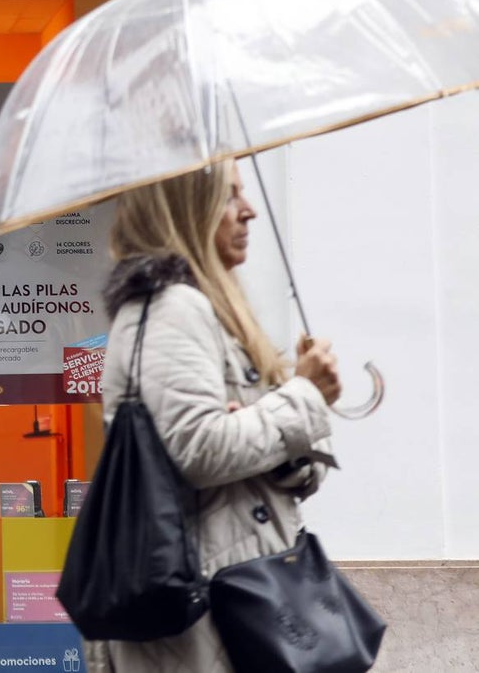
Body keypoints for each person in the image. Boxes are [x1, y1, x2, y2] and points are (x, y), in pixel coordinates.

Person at [84, 159, 342, 673]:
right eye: (229, 197)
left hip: (239, 595)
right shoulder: (171, 309)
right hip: (204, 612)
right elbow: (201, 449)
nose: (248, 212)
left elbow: (247, 451)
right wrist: (304, 397)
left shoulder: (208, 307)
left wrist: (281, 425)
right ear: (185, 208)